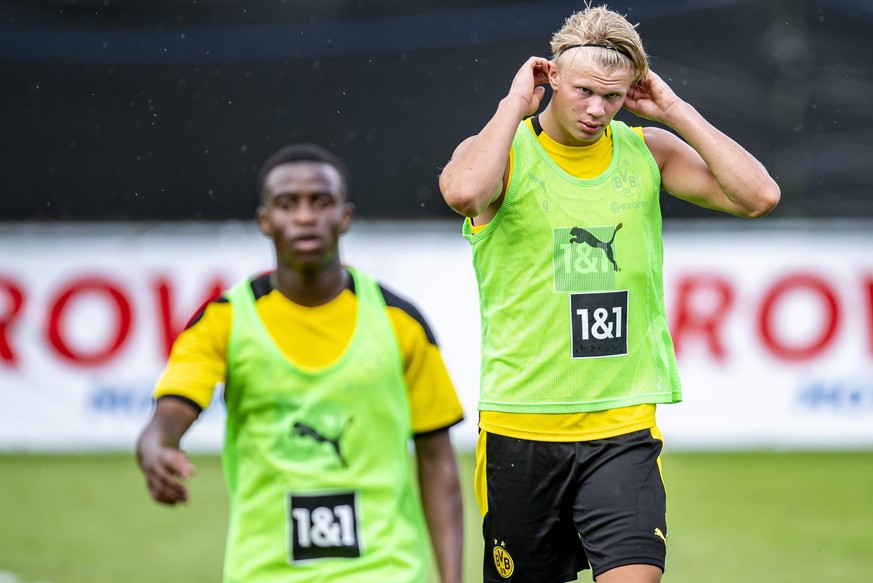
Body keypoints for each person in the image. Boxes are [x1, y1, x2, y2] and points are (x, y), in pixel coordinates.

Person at [439, 4, 779, 583]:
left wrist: (674, 109)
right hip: (523, 428)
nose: (598, 109)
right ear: (550, 79)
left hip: (621, 428)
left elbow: (758, 196)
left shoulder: (645, 152)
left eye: (614, 96)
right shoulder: (500, 153)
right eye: (584, 91)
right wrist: (512, 104)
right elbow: (467, 192)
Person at [137, 143, 465, 583]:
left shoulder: (399, 321)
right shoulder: (224, 320)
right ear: (265, 221)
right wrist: (156, 446)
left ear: (345, 216)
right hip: (265, 573)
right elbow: (172, 409)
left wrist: (452, 578)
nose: (306, 216)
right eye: (288, 204)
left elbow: (437, 460)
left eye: (321, 202)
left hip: (385, 570)